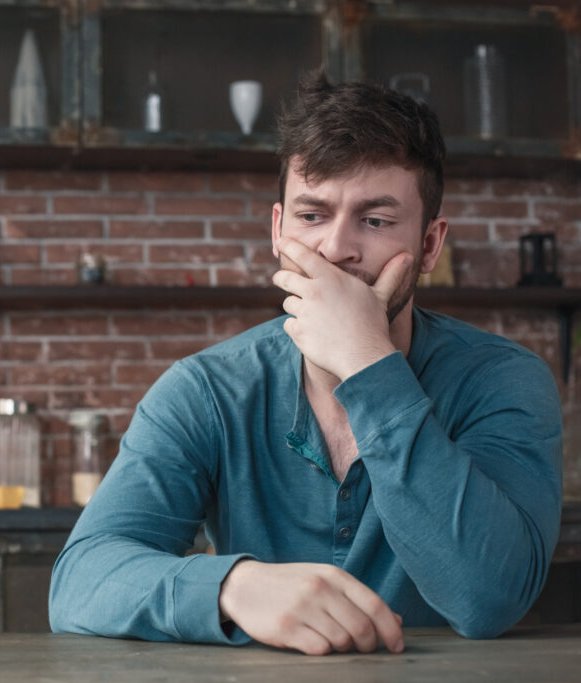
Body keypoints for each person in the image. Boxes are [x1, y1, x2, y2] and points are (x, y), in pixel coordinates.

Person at [48, 72, 562, 656]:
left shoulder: (502, 380)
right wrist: (233, 587)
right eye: (312, 216)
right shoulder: (206, 390)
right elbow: (79, 582)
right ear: (278, 231)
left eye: (376, 220)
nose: (336, 249)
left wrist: (367, 361)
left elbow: (489, 598)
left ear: (429, 245)